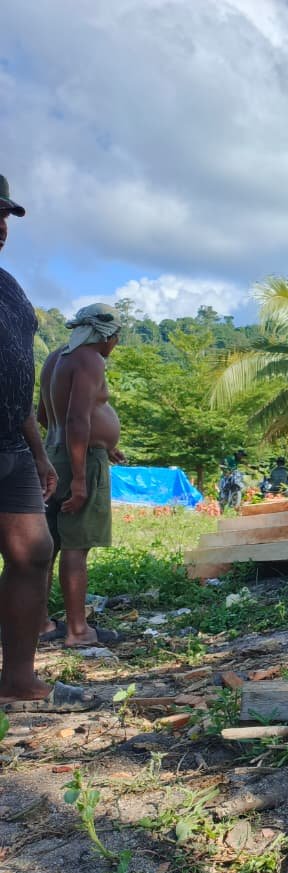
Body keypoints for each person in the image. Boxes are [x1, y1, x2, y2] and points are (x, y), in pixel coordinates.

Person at [0, 174, 94, 711]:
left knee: (34, 551)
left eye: (5, 217)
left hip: (11, 444)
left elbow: (16, 378)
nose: (1, 228)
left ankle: (17, 678)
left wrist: (38, 454)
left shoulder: (10, 289)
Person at [37, 302, 126, 648]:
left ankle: (39, 623)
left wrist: (104, 441)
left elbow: (46, 415)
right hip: (80, 462)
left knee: (49, 546)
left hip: (54, 454)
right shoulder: (90, 358)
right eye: (116, 338)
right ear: (107, 335)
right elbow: (77, 418)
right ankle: (78, 630)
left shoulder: (56, 357)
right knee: (76, 546)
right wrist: (79, 477)